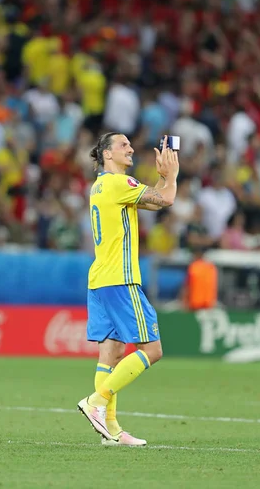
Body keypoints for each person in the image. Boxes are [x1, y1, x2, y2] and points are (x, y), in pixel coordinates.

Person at [77, 133, 179, 446]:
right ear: (107, 154)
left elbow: (154, 199)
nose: (131, 148)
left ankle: (112, 430)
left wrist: (162, 178)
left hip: (99, 279)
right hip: (120, 280)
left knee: (112, 352)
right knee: (152, 350)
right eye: (123, 145)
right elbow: (167, 200)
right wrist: (172, 176)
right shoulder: (120, 183)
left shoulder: (101, 187)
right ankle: (97, 401)